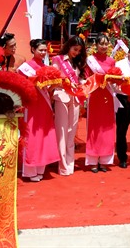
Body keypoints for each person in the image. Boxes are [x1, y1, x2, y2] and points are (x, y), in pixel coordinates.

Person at [17, 39, 60, 181]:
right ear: (33, 50)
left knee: (44, 134)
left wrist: (55, 85)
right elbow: (21, 86)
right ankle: (30, 170)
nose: (43, 53)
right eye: (40, 50)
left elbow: (49, 89)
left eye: (44, 50)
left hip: (45, 105)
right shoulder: (25, 67)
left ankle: (41, 167)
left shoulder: (46, 67)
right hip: (32, 105)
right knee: (32, 135)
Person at [51, 35, 86, 175]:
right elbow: (53, 78)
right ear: (69, 46)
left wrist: (84, 84)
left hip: (75, 98)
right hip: (61, 96)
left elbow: (80, 79)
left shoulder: (77, 62)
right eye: (75, 49)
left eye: (79, 51)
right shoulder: (58, 59)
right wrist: (65, 83)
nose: (77, 53)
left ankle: (70, 164)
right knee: (62, 132)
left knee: (72, 131)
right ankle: (63, 165)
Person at [84, 34, 120, 173]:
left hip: (108, 96)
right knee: (94, 128)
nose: (104, 46)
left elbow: (114, 77)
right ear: (96, 44)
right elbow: (87, 78)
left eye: (106, 44)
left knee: (107, 128)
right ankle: (93, 160)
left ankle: (105, 160)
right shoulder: (90, 60)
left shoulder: (111, 61)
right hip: (94, 95)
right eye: (101, 44)